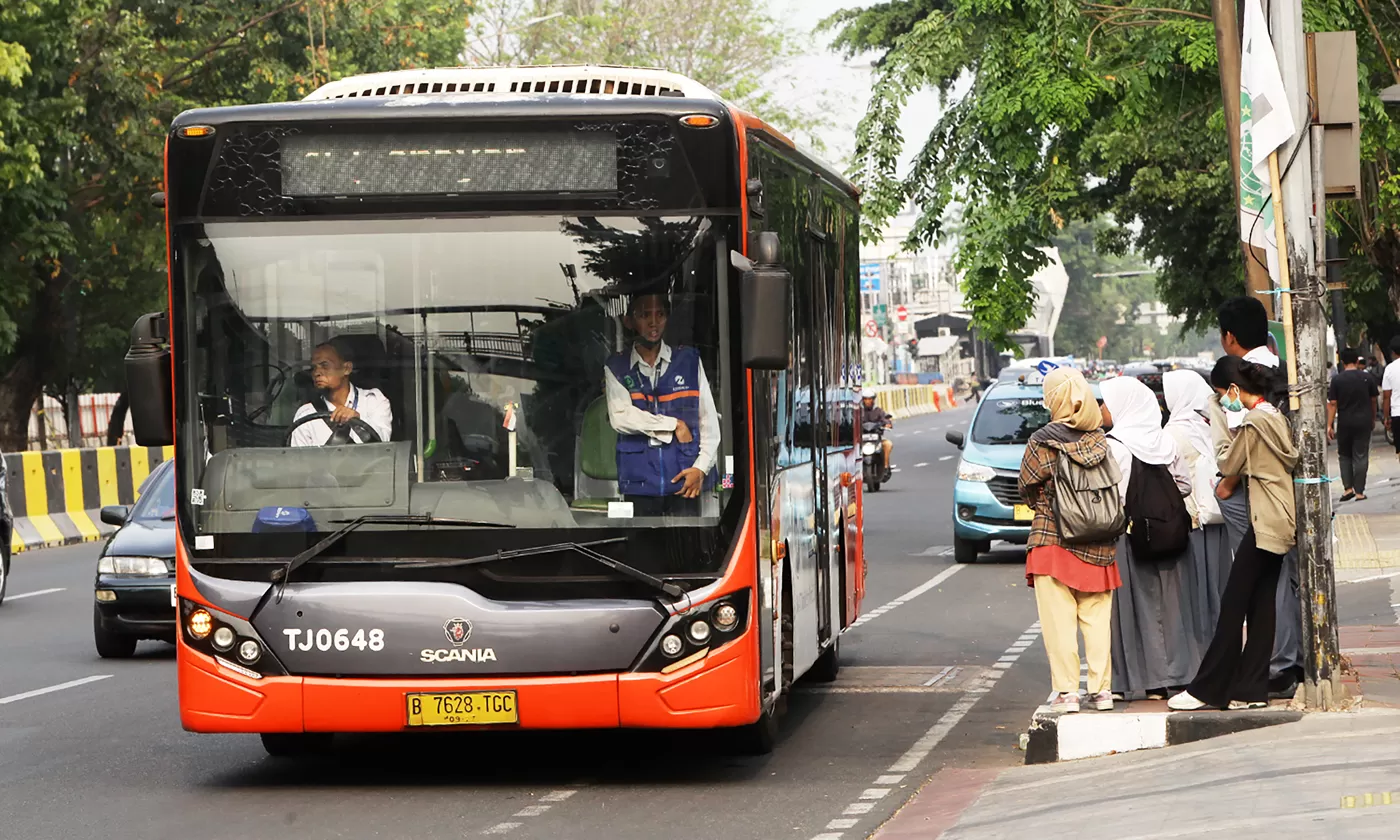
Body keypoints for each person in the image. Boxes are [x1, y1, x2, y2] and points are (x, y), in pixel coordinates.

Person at [1170, 359, 1299, 711]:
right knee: (1260, 605)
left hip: (1261, 522)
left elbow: (1226, 463)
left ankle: (1207, 689)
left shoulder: (1255, 423)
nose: (1220, 401)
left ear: (1232, 390)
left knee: (1233, 604)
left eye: (1219, 394)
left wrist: (1216, 415)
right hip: (1278, 519)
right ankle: (1251, 689)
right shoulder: (1275, 415)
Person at [1018, 367, 1122, 714]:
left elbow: (1027, 486)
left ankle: (1067, 692)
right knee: (1096, 620)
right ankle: (1102, 691)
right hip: (1099, 541)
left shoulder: (1042, 440)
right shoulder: (1100, 440)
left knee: (1058, 621)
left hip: (1052, 536)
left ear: (1054, 399)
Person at [1217, 297, 1303, 696]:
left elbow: (1244, 444)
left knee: (1263, 581)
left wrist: (1226, 486)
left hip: (1256, 495)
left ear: (1228, 337)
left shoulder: (1239, 377)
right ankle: (1294, 659)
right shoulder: (1284, 368)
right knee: (1291, 576)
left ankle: (1276, 666)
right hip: (1294, 488)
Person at [1100, 375, 1201, 701]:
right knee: (1172, 607)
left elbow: (1115, 496)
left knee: (1133, 610)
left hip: (1131, 538)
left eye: (1106, 401)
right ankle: (1177, 675)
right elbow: (1184, 485)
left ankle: (1140, 680)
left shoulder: (1114, 446)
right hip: (1170, 535)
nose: (1102, 408)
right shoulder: (1164, 441)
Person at [603, 292, 719, 516]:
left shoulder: (690, 361)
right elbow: (621, 417)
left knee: (688, 548)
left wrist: (700, 468)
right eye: (644, 315)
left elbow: (709, 422)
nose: (653, 322)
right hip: (640, 485)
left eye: (660, 314)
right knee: (642, 549)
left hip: (687, 480)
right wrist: (674, 425)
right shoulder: (616, 367)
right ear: (630, 321)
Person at [1164, 369, 1232, 643]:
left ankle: (1201, 653)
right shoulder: (1211, 426)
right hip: (1219, 517)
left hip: (1191, 521)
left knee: (1196, 592)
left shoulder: (1172, 434)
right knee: (1220, 587)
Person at [290, 338, 393, 447]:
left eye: (325, 365)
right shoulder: (306, 414)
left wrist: (359, 421)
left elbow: (384, 445)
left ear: (347, 368)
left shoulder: (373, 401)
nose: (316, 373)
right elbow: (299, 460)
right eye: (314, 367)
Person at [1328, 348, 1379, 501]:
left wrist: (1329, 425)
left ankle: (1347, 489)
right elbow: (1373, 400)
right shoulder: (1367, 377)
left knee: (1344, 455)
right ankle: (1359, 492)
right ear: (1357, 360)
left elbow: (1332, 403)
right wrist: (1373, 418)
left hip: (1345, 422)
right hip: (1363, 421)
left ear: (1342, 362)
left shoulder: (1337, 380)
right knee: (1361, 455)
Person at [859, 388, 894, 471]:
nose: (867, 401)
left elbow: (885, 419)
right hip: (861, 439)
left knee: (888, 444)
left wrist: (887, 424)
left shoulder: (879, 411)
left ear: (873, 400)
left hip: (876, 439)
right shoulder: (858, 411)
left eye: (870, 399)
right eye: (866, 399)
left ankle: (885, 466)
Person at [1381, 336, 1400, 461]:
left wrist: (1386, 417)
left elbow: (1386, 397)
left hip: (1397, 413)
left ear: (1393, 352)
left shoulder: (1389, 369)